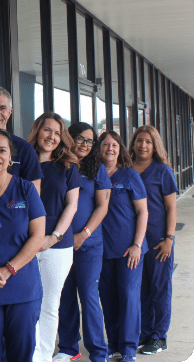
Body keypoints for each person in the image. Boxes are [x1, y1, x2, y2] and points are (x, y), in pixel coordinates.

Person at [0, 129, 46, 362]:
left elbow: (37, 236)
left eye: (2, 150)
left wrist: (7, 269)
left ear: (11, 157)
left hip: (22, 286)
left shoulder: (26, 189)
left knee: (21, 353)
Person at [54, 122, 111, 362]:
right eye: (80, 138)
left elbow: (102, 206)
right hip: (61, 245)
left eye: (90, 141)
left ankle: (98, 352)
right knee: (65, 296)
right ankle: (69, 348)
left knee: (88, 296)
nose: (85, 145)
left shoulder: (97, 169)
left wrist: (83, 234)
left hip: (89, 246)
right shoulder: (59, 166)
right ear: (69, 137)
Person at [26, 112, 80, 362]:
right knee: (26, 305)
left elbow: (72, 206)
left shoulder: (68, 166)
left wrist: (53, 237)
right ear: (37, 131)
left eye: (57, 133)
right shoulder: (22, 162)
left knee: (48, 304)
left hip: (57, 246)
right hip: (24, 245)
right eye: (47, 130)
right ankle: (28, 354)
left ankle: (43, 356)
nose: (52, 137)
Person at [98, 131, 148, 362]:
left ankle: (128, 348)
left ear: (120, 149)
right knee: (107, 298)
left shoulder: (129, 176)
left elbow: (142, 212)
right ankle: (114, 344)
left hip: (129, 250)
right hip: (102, 250)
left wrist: (137, 245)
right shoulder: (93, 175)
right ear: (99, 149)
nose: (110, 149)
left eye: (114, 145)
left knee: (128, 297)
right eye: (105, 144)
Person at [129, 125, 177, 355]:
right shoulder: (126, 169)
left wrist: (170, 238)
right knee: (141, 290)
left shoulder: (162, 171)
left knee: (160, 288)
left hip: (158, 241)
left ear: (155, 144)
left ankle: (160, 336)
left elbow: (171, 208)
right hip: (135, 241)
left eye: (148, 141)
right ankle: (145, 332)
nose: (143, 145)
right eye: (139, 140)